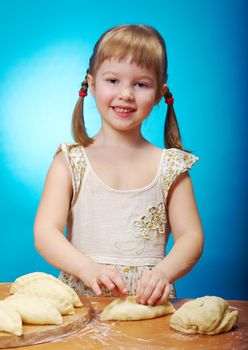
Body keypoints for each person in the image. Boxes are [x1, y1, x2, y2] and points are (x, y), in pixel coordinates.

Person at [34, 24, 204, 306]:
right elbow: (45, 232)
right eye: (113, 80)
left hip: (147, 305)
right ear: (91, 83)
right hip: (82, 301)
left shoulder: (171, 167)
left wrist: (163, 273)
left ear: (160, 93)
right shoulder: (70, 162)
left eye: (141, 84)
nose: (126, 93)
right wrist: (86, 268)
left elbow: (191, 236)